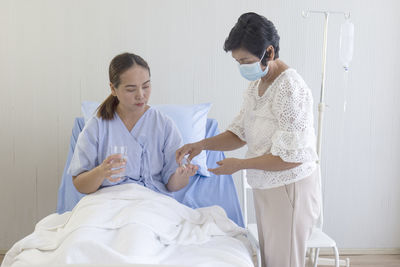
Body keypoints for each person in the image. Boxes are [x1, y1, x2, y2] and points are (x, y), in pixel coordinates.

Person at [176, 12, 321, 267]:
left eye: (245, 60)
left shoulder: (290, 89)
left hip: (290, 188)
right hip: (266, 186)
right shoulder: (257, 86)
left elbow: (292, 158)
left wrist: (240, 165)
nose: (242, 67)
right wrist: (201, 145)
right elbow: (239, 133)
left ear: (269, 52)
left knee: (283, 261)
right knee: (271, 259)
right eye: (237, 61)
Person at [69, 52, 198, 195]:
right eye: (131, 89)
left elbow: (172, 185)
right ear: (113, 89)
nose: (141, 95)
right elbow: (80, 185)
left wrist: (183, 175)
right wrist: (101, 172)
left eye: (146, 86)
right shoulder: (97, 126)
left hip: (152, 201)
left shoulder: (164, 125)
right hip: (108, 202)